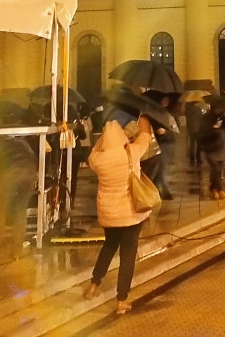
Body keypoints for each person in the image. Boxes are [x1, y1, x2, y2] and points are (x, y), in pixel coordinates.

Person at [84, 115, 154, 315]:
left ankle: (93, 285)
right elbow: (145, 136)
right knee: (128, 256)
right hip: (131, 214)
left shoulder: (97, 160)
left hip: (109, 215)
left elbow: (95, 150)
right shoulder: (130, 152)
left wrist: (104, 138)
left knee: (109, 246)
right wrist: (144, 118)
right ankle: (121, 300)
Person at [0, 135, 38, 258]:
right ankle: (16, 250)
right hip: (29, 174)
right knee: (21, 211)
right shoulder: (23, 143)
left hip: (11, 174)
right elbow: (33, 158)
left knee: (0, 211)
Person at [198, 101, 225, 199]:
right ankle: (216, 189)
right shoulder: (206, 118)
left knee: (219, 169)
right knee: (216, 169)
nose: (219, 110)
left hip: (221, 147)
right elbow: (202, 133)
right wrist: (214, 129)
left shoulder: (223, 117)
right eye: (217, 108)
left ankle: (216, 188)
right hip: (211, 147)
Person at [184, 97, 206, 165]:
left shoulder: (187, 110)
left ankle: (192, 159)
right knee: (199, 144)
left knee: (192, 144)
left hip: (191, 128)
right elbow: (201, 118)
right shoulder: (197, 109)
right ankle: (198, 158)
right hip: (198, 128)